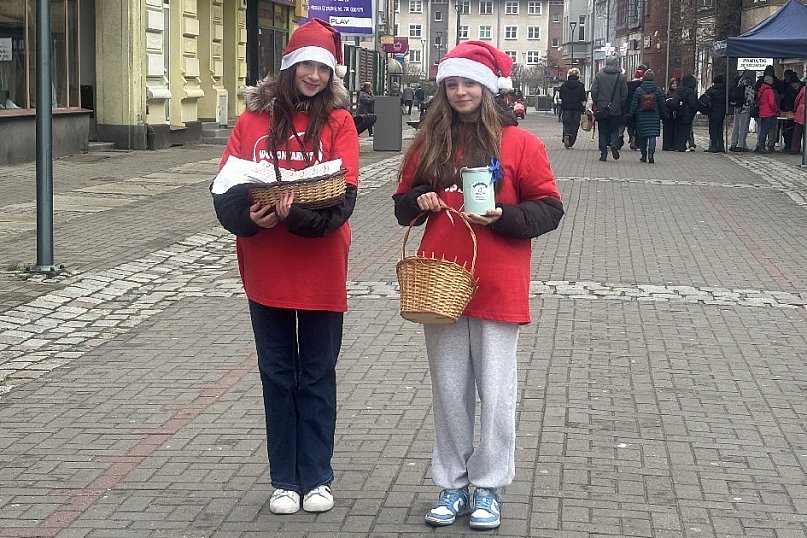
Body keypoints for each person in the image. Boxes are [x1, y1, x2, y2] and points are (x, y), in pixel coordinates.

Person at [392, 40, 564, 531]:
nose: (460, 92)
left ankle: (487, 485)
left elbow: (550, 208)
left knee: (496, 391)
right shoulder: (430, 143)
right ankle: (451, 483)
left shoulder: (520, 144)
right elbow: (402, 204)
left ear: (487, 89)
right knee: (449, 392)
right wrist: (420, 199)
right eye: (452, 84)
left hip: (498, 282)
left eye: (468, 83)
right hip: (440, 282)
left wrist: (505, 216)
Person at [211, 18, 359, 516]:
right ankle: (283, 480)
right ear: (288, 66)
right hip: (266, 270)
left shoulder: (339, 122)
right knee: (276, 375)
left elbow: (341, 205)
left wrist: (290, 212)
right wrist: (247, 218)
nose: (313, 75)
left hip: (321, 270)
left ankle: (316, 476)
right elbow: (226, 189)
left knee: (316, 375)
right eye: (304, 65)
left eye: (322, 67)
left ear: (331, 73)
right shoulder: (251, 122)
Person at [591, 55, 628, 161]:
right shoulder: (621, 77)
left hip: (602, 108)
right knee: (614, 129)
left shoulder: (599, 75)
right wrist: (619, 104)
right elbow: (624, 94)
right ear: (616, 64)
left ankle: (603, 153)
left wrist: (597, 102)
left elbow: (594, 91)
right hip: (615, 108)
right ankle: (614, 144)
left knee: (602, 131)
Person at [628, 69, 666, 164]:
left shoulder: (639, 90)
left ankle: (644, 155)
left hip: (641, 116)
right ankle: (651, 155)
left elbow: (634, 104)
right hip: (654, 116)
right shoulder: (657, 90)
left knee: (642, 137)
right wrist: (664, 114)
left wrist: (631, 114)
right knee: (652, 135)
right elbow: (662, 104)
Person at [559, 67, 587, 148]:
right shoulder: (580, 85)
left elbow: (561, 96)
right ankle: (571, 141)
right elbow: (583, 97)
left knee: (566, 123)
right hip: (577, 108)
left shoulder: (564, 85)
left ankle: (567, 134)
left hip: (566, 107)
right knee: (575, 124)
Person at [729, 71, 755, 152]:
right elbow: (750, 97)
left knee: (736, 126)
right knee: (743, 127)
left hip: (737, 106)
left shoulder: (739, 81)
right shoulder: (749, 83)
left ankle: (733, 143)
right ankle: (741, 144)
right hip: (745, 107)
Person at [673, 74, 698, 152]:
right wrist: (694, 111)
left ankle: (677, 145)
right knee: (685, 130)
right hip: (687, 114)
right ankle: (682, 146)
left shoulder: (677, 90)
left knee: (679, 130)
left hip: (678, 112)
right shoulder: (689, 91)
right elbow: (692, 103)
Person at [754, 74, 779, 153]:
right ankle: (763, 147)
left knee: (762, 130)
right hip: (769, 113)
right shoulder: (769, 91)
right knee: (767, 130)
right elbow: (772, 103)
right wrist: (776, 110)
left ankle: (760, 145)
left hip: (762, 112)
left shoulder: (761, 90)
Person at [704, 74, 727, 152]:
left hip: (713, 112)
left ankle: (714, 146)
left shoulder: (712, 90)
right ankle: (721, 146)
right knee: (720, 129)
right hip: (722, 112)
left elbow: (706, 98)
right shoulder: (725, 90)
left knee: (713, 129)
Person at [626, 67, 645, 149]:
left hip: (630, 107)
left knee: (630, 124)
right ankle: (637, 142)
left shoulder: (629, 84)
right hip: (641, 108)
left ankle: (631, 136)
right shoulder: (643, 85)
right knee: (638, 126)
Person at [789, 77, 805, 154]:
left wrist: (795, 109)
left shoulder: (804, 89)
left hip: (801, 111)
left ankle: (795, 149)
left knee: (797, 131)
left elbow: (797, 99)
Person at [662, 77, 678, 151]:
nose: (675, 85)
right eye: (673, 83)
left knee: (673, 130)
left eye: (676, 83)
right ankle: (667, 145)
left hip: (674, 114)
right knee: (668, 130)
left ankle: (672, 144)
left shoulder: (677, 93)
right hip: (668, 114)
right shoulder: (667, 93)